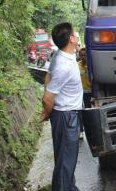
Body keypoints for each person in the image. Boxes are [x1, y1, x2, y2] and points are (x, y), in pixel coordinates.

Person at [40, 22, 82, 191]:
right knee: (66, 161)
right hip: (66, 116)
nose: (78, 36)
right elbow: (48, 97)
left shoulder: (62, 56)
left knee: (66, 158)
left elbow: (47, 78)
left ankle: (70, 187)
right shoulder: (64, 65)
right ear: (71, 39)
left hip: (65, 114)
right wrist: (47, 112)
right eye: (76, 34)